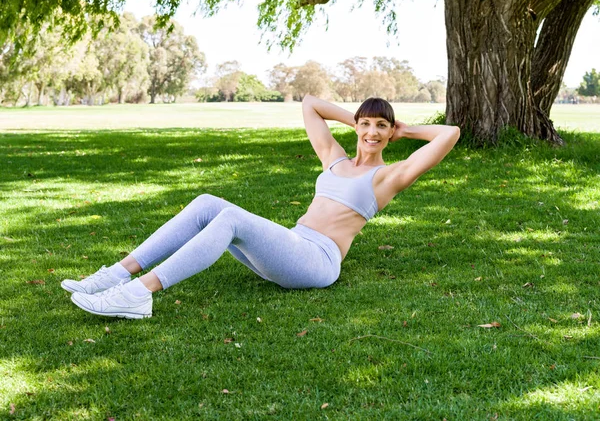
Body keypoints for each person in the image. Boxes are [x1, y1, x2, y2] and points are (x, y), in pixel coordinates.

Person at [61, 95, 460, 318]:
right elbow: (310, 104)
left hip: (318, 261)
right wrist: (360, 116)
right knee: (206, 203)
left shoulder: (389, 177)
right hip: (292, 242)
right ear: (357, 127)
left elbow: (449, 133)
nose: (372, 132)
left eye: (381, 127)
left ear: (391, 134)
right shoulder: (335, 160)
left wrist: (404, 128)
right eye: (367, 124)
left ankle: (139, 294)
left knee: (231, 217)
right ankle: (114, 276)